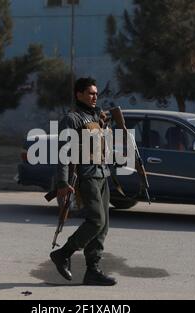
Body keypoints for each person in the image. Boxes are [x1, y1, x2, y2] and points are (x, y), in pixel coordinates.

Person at [49, 77, 117, 286]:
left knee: (103, 226)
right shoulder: (72, 119)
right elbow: (62, 152)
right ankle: (63, 253)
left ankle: (93, 271)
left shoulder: (97, 116)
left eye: (96, 93)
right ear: (79, 94)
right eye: (90, 93)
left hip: (102, 174)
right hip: (86, 175)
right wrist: (62, 182)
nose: (95, 96)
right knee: (96, 220)